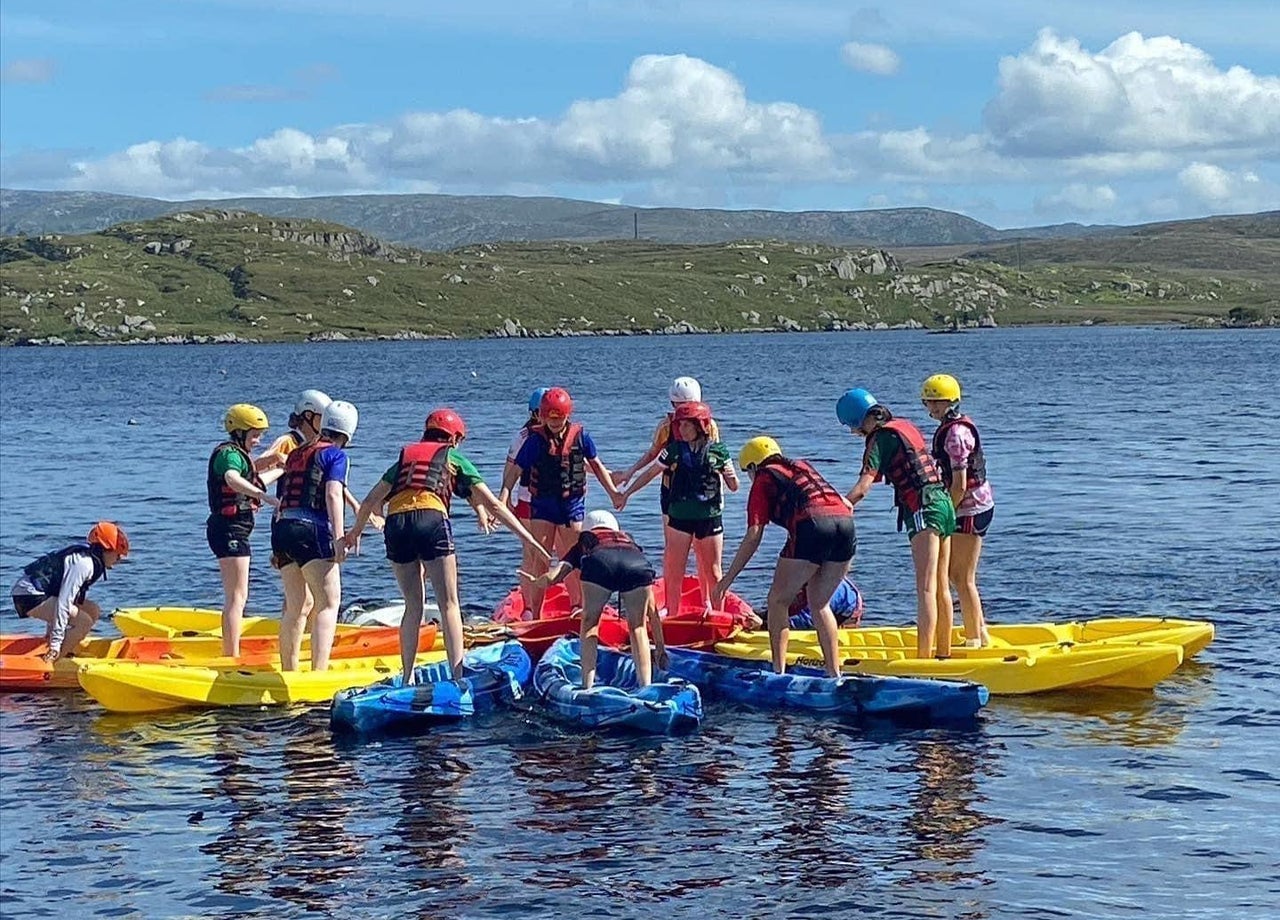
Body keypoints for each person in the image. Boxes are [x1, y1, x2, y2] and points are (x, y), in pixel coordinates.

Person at [346, 408, 551, 683]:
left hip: (396, 525)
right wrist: (531, 541)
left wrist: (355, 532)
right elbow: (494, 504)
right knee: (449, 604)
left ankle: (407, 676)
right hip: (431, 520)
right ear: (453, 438)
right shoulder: (454, 457)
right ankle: (457, 675)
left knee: (413, 605)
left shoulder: (404, 458)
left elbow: (371, 501)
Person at [713, 437, 854, 677]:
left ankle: (778, 671)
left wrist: (727, 580)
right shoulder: (802, 466)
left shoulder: (763, 478)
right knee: (820, 603)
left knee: (778, 601)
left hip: (812, 525)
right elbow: (845, 505)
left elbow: (753, 535)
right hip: (846, 525)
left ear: (753, 466)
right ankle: (834, 674)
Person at [838, 388, 957, 659]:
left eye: (852, 427)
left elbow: (862, 488)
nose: (853, 433)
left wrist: (841, 506)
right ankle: (944, 653)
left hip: (923, 509)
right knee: (941, 584)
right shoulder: (903, 426)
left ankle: (924, 659)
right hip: (944, 504)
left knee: (925, 587)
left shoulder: (879, 439)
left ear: (859, 421)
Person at [261, 389, 382, 622]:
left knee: (304, 599)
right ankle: (310, 646)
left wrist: (357, 507)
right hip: (302, 523)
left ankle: (301, 642)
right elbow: (331, 491)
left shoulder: (308, 447)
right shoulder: (289, 442)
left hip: (288, 523)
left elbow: (330, 485)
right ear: (308, 415)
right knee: (312, 600)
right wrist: (274, 464)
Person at [519, 509, 666, 690]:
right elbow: (652, 610)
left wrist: (538, 581)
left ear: (587, 530)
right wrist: (660, 647)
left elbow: (555, 576)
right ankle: (646, 686)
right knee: (638, 627)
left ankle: (587, 686)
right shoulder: (630, 543)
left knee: (590, 623)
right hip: (638, 567)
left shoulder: (584, 542)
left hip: (600, 563)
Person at [510, 387, 622, 618]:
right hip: (542, 506)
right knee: (540, 557)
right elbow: (514, 469)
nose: (554, 423)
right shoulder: (534, 439)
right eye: (549, 418)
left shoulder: (581, 436)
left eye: (559, 418)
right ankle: (535, 612)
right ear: (541, 415)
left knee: (575, 557)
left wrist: (613, 492)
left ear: (567, 415)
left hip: (571, 506)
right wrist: (503, 495)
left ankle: (580, 606)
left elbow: (596, 466)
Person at [617, 401, 738, 613]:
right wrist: (626, 494)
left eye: (686, 425)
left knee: (714, 572)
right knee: (675, 570)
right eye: (679, 424)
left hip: (709, 517)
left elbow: (734, 486)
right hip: (679, 518)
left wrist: (728, 473)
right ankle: (673, 613)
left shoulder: (719, 451)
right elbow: (649, 474)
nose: (680, 429)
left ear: (700, 426)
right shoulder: (673, 450)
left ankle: (719, 615)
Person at [271, 399, 358, 671]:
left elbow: (283, 496)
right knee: (328, 603)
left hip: (283, 529)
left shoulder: (297, 453)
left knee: (296, 605)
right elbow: (333, 494)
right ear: (348, 433)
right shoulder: (336, 455)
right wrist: (340, 537)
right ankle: (319, 671)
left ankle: (289, 669)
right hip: (312, 530)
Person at [921, 373, 993, 648]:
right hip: (970, 504)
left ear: (952, 402)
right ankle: (979, 630)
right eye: (930, 402)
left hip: (971, 507)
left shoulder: (955, 435)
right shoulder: (952, 428)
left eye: (939, 402)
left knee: (962, 577)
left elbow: (960, 484)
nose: (934, 408)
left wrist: (945, 516)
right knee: (956, 575)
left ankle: (975, 637)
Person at [207, 403, 280, 657]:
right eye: (255, 435)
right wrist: (264, 497)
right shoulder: (228, 455)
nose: (258, 440)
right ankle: (232, 656)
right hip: (228, 530)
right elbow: (231, 478)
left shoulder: (240, 455)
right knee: (237, 596)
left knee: (239, 595)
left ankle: (231, 650)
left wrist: (281, 468)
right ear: (239, 433)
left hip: (234, 529)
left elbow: (252, 474)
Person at [10, 522, 130, 662]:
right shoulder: (84, 564)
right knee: (83, 622)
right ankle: (53, 661)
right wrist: (55, 644)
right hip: (29, 595)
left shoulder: (91, 560)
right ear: (106, 550)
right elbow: (63, 603)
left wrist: (50, 634)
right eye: (117, 555)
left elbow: (57, 593)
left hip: (41, 593)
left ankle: (65, 649)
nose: (119, 560)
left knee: (93, 611)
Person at [614, 376, 720, 521]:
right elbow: (652, 456)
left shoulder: (707, 427)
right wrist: (630, 473)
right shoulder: (667, 426)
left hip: (699, 490)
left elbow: (716, 459)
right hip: (677, 490)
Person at [498, 386, 548, 618]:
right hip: (528, 501)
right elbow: (510, 471)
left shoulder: (560, 434)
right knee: (531, 553)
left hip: (554, 502)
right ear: (535, 413)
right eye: (545, 410)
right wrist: (505, 503)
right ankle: (529, 608)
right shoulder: (523, 438)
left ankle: (549, 600)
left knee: (553, 554)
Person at [786, 577, 863, 630]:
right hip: (839, 597)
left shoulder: (820, 590)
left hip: (846, 612)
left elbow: (810, 619)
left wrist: (781, 623)